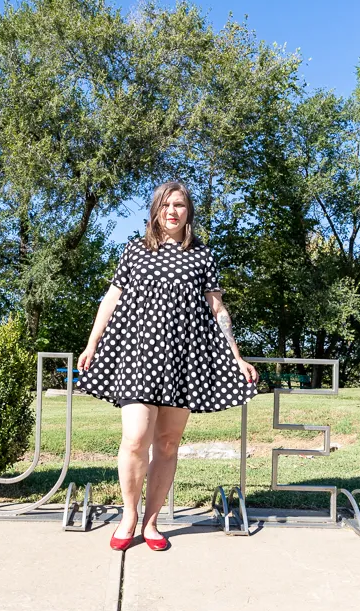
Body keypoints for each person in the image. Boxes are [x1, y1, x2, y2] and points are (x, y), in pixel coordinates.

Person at [76, 180, 258, 551]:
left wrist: (235, 355)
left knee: (169, 443)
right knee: (135, 438)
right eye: (166, 205)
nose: (173, 211)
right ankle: (129, 515)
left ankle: (152, 522)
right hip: (139, 356)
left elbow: (217, 309)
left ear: (188, 212)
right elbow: (111, 299)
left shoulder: (202, 256)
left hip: (183, 359)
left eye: (180, 205)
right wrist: (92, 342)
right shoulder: (135, 251)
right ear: (156, 210)